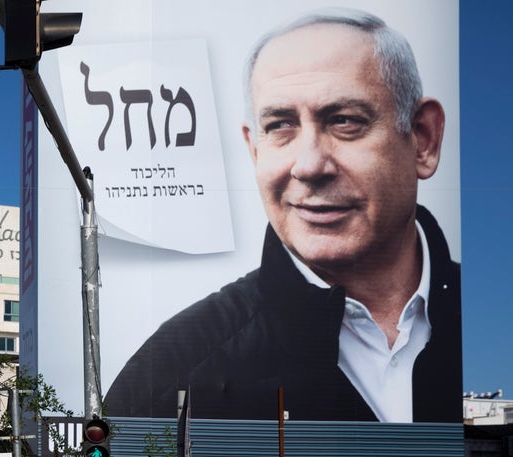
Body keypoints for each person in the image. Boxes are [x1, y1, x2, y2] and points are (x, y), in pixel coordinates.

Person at [104, 9, 461, 423]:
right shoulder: (168, 377)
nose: (308, 165)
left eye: (344, 121)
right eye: (280, 126)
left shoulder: (485, 316)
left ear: (423, 139)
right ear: (254, 150)